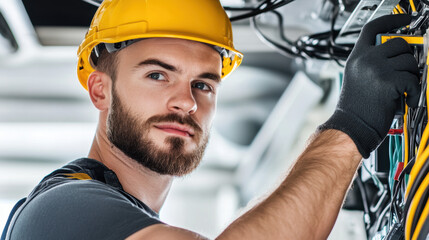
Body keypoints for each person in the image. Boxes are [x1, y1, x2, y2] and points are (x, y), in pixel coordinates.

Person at [3, 0, 420, 239]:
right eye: (157, 75)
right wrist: (352, 126)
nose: (185, 101)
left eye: (204, 84)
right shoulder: (62, 210)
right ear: (100, 90)